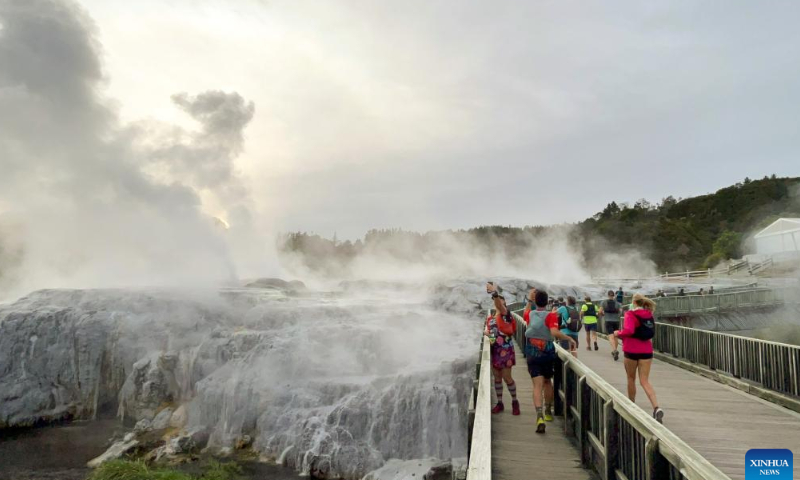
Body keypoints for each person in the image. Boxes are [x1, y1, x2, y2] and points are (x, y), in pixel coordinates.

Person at [524, 289, 577, 433]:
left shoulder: (530, 314)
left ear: (535, 301)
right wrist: (568, 338)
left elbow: (526, 311)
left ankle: (539, 415)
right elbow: (553, 332)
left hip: (531, 351)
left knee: (537, 385)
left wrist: (530, 299)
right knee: (547, 382)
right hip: (547, 351)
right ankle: (548, 410)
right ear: (547, 302)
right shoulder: (551, 315)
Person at [612, 293, 664, 423]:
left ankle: (632, 406)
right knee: (645, 381)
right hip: (646, 350)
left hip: (631, 350)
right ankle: (656, 407)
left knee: (631, 378)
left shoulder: (630, 314)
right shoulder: (648, 314)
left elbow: (629, 330)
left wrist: (619, 333)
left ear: (634, 302)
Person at [484, 283, 520, 415]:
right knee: (497, 378)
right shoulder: (490, 318)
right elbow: (491, 333)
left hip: (506, 351)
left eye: (501, 300)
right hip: (495, 350)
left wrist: (495, 293)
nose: (498, 302)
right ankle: (500, 403)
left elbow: (499, 305)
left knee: (507, 377)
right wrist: (487, 333)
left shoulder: (506, 314)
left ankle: (515, 401)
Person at [599, 290, 622, 359]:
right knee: (616, 337)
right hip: (616, 321)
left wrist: (603, 314)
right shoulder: (618, 303)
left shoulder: (604, 302)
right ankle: (614, 350)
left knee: (611, 336)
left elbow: (600, 311)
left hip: (608, 320)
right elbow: (620, 312)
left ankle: (614, 350)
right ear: (614, 295)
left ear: (608, 295)